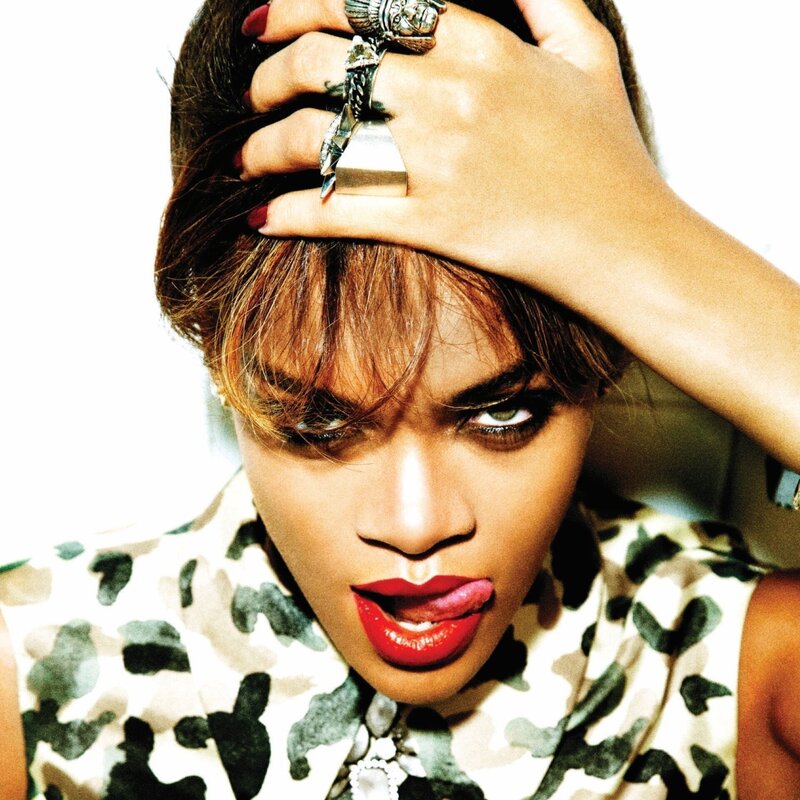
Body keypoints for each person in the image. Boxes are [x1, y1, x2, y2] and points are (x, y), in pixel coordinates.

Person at [1, 0, 799, 798]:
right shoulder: (35, 673)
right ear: (215, 344)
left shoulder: (739, 669)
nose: (415, 526)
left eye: (503, 413)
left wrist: (658, 255)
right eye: (318, 421)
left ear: (607, 346)